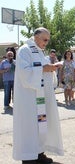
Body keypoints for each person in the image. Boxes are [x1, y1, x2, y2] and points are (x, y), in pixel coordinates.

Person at [13, 27, 64, 164]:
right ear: (36, 38)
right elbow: (25, 73)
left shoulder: (40, 52)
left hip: (41, 98)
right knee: (29, 126)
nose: (46, 43)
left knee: (41, 124)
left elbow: (42, 69)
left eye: (48, 40)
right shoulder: (24, 50)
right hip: (29, 98)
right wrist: (45, 69)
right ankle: (28, 156)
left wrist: (51, 68)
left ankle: (39, 152)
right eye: (45, 40)